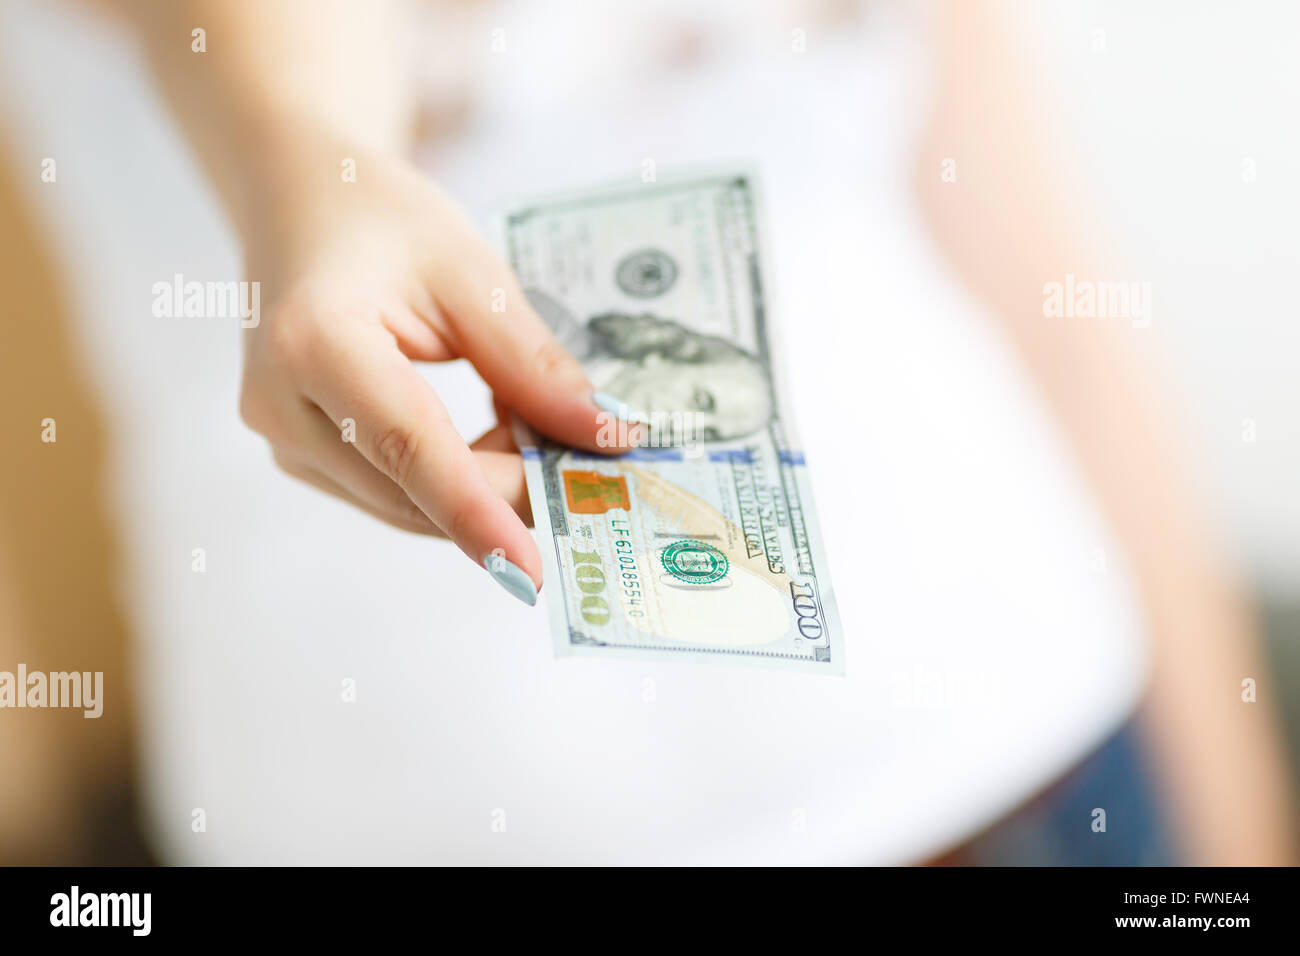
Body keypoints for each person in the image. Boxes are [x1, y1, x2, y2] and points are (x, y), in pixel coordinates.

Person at [101, 0, 1293, 864]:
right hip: (397, 823)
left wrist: (1241, 831)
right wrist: (318, 169)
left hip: (1025, 766)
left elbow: (1047, 294)